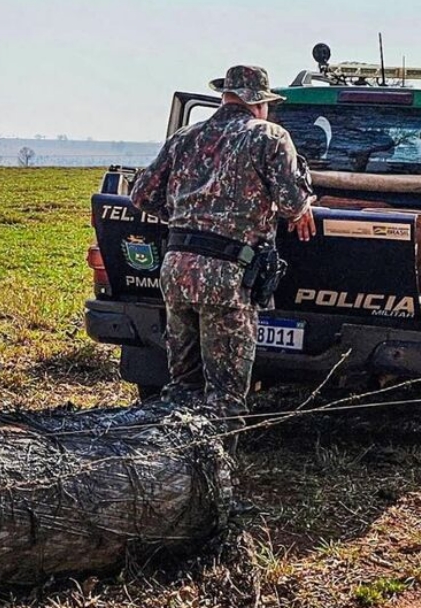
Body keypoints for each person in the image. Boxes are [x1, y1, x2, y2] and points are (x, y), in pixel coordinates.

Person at [130, 65, 316, 444]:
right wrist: (304, 207)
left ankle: (169, 469)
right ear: (259, 103)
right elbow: (290, 201)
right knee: (224, 396)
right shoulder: (269, 136)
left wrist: (185, 218)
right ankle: (216, 485)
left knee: (182, 387)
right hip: (226, 277)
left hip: (177, 269)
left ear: (225, 96)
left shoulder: (186, 136)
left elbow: (141, 193)